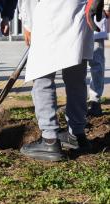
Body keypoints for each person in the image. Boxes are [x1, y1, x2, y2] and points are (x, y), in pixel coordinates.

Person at [18, 0, 104, 161]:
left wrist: (28, 23)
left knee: (42, 75)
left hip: (53, 11)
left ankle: (49, 140)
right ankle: (77, 135)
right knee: (76, 78)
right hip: (79, 10)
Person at [87, 1, 110, 116]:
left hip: (95, 12)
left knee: (96, 62)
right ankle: (76, 101)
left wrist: (106, 6)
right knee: (75, 64)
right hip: (72, 15)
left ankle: (95, 101)